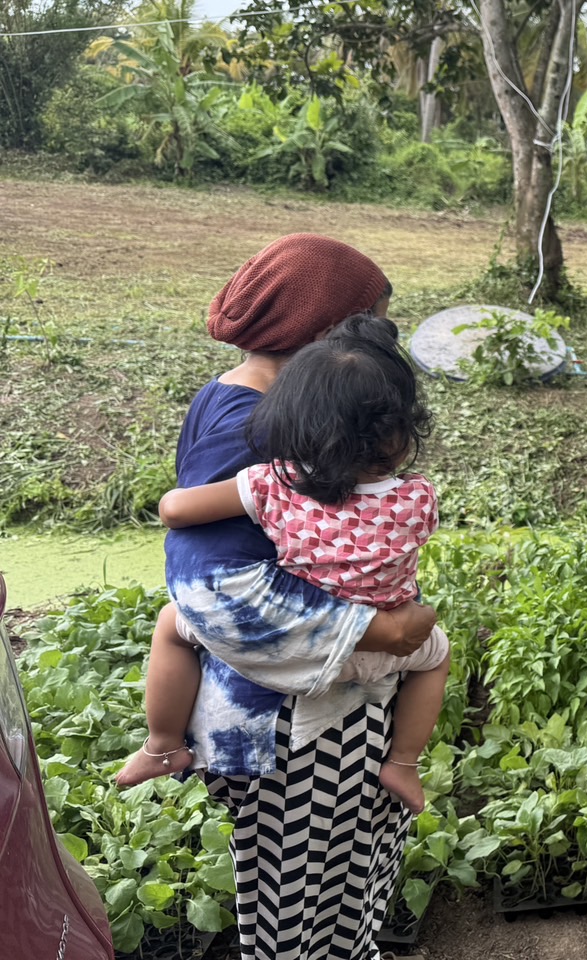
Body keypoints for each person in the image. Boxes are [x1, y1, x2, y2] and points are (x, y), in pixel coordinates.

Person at [133, 234, 437, 960]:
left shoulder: (247, 399)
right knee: (303, 903)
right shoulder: (255, 431)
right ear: (324, 344)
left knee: (338, 888)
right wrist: (376, 631)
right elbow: (214, 594)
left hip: (317, 713)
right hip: (295, 732)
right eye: (372, 331)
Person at [117, 314, 450, 814]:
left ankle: (163, 744)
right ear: (401, 437)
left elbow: (175, 510)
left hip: (297, 650)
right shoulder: (418, 497)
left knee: (170, 624)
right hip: (384, 653)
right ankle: (403, 762)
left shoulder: (274, 483)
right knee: (438, 656)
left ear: (291, 424)